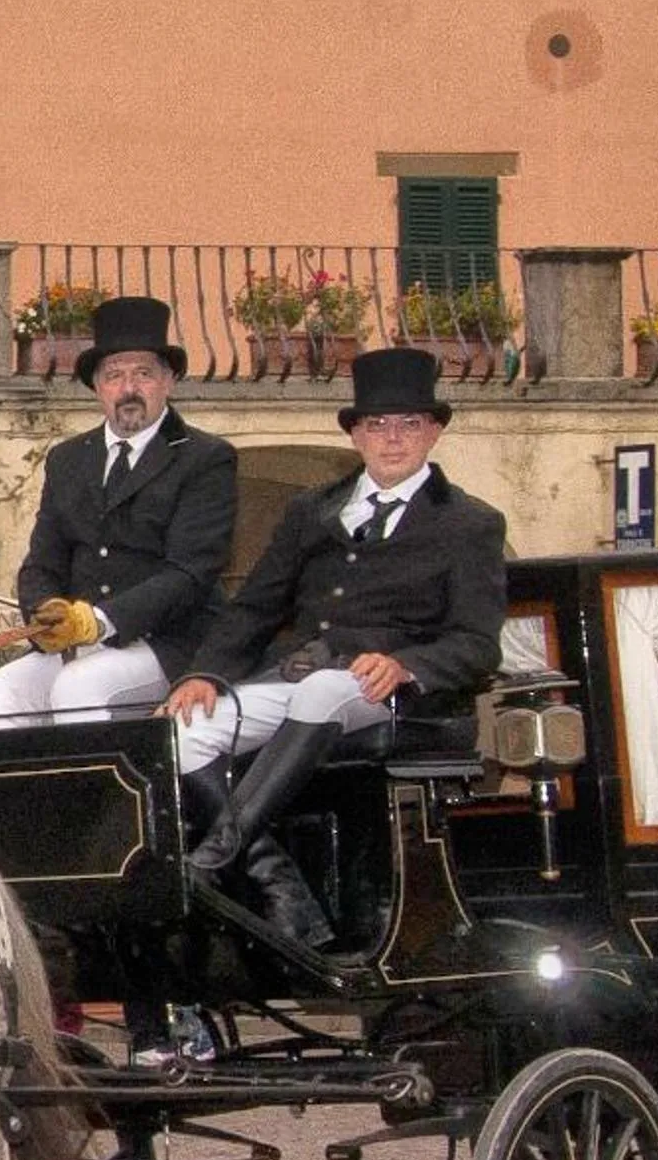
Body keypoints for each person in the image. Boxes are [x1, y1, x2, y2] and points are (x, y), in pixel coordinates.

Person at [159, 346, 508, 950]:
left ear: (435, 431)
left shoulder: (471, 524)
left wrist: (406, 665)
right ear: (354, 434)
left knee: (323, 688)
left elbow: (478, 645)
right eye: (377, 424)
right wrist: (205, 675)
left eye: (409, 424)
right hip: (303, 682)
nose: (392, 438)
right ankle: (281, 884)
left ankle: (212, 860)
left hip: (399, 699)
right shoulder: (311, 511)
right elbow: (257, 607)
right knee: (186, 732)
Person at [0, 295, 235, 728]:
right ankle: (23, 795)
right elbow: (42, 561)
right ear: (97, 387)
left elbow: (190, 573)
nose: (128, 389)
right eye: (114, 375)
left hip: (166, 642)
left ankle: (94, 797)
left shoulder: (206, 458)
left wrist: (100, 620)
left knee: (80, 688)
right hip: (78, 642)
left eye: (142, 374)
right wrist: (45, 610)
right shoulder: (68, 459)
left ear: (168, 381)